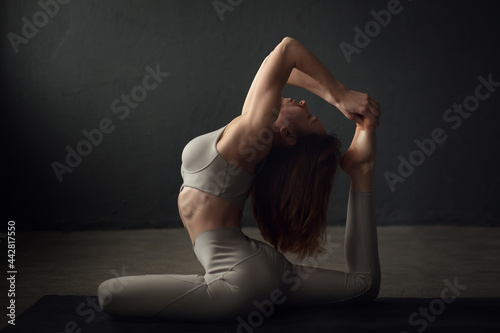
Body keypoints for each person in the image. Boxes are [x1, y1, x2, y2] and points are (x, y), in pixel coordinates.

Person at [97, 36, 381, 322]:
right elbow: (281, 67)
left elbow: (287, 50)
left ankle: (360, 168)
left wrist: (342, 94)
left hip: (237, 280)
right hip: (264, 270)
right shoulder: (250, 135)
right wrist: (338, 99)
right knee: (363, 285)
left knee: (109, 294)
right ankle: (361, 171)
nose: (306, 103)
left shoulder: (254, 134)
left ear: (289, 135)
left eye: (309, 116)